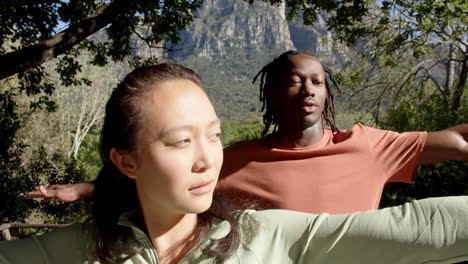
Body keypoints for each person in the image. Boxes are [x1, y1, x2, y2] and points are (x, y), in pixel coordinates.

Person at [3, 63, 468, 264]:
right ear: (125, 160)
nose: (208, 159)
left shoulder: (267, 237)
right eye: (181, 141)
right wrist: (85, 188)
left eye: (215, 135)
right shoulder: (73, 251)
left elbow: (419, 225)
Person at [25, 50, 468, 214]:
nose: (308, 89)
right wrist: (83, 189)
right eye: (294, 81)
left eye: (317, 81)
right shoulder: (235, 158)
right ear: (273, 95)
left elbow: (458, 141)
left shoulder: (371, 146)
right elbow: (162, 182)